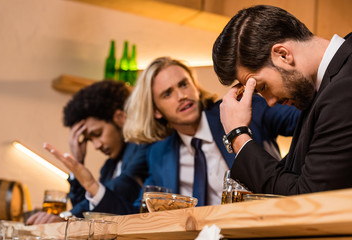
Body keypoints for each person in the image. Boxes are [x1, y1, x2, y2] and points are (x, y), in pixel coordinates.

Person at [92, 56, 299, 213]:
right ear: (156, 110)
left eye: (183, 84)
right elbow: (140, 213)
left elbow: (307, 120)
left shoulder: (242, 108)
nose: (182, 96)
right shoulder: (159, 153)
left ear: (196, 88)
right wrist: (92, 187)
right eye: (167, 93)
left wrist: (288, 170)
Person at [212, 5, 352, 195]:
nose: (269, 102)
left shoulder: (343, 89)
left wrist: (238, 136)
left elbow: (305, 199)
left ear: (283, 54)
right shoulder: (322, 88)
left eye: (263, 87)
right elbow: (290, 177)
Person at [26, 81, 149, 224]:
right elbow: (88, 206)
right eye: (90, 139)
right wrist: (78, 161)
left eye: (98, 133)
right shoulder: (108, 167)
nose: (96, 145)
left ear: (120, 118)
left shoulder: (142, 148)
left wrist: (65, 217)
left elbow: (116, 189)